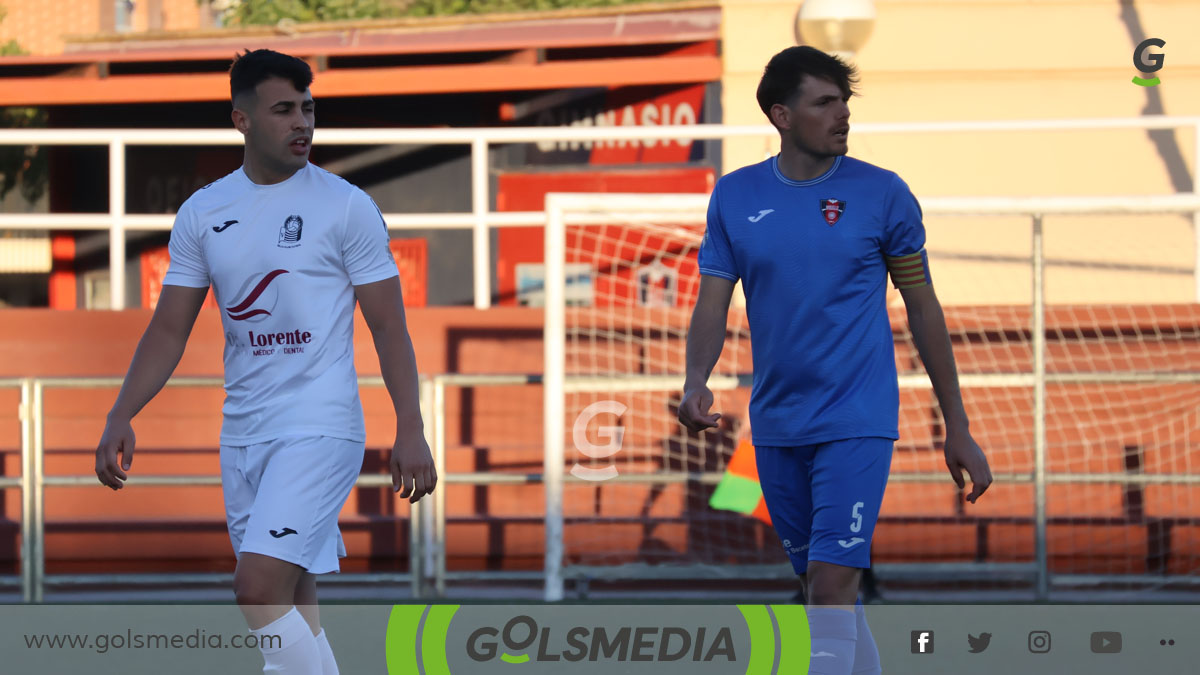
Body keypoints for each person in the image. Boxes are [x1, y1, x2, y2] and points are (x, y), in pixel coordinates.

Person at [94, 49, 436, 675]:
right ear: (242, 119)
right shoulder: (204, 212)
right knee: (292, 607)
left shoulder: (347, 205)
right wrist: (122, 412)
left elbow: (389, 325)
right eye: (283, 110)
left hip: (320, 428)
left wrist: (409, 428)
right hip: (244, 435)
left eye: (308, 109)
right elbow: (170, 327)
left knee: (255, 590)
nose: (302, 122)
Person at [678, 46, 992, 674]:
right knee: (824, 595)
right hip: (777, 426)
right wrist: (695, 380)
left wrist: (957, 424)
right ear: (782, 115)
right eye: (825, 102)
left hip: (857, 418)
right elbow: (713, 300)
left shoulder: (883, 195)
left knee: (830, 591)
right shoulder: (735, 197)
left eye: (844, 101)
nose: (842, 114)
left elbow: (924, 310)